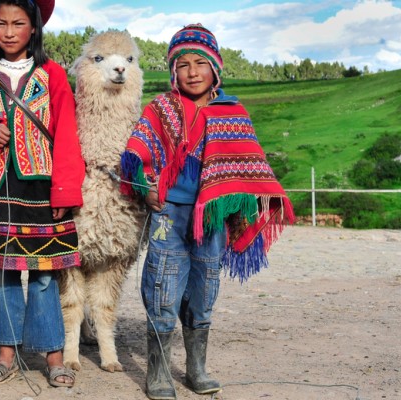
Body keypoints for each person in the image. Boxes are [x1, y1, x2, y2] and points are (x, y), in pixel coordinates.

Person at [120, 24, 294, 399]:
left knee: (204, 289)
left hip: (211, 219)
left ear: (216, 68)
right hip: (170, 213)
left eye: (201, 62)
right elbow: (139, 155)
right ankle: (160, 370)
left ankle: (196, 366)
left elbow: (249, 167)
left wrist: (241, 205)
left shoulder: (232, 113)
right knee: (163, 287)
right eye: (183, 64)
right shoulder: (161, 109)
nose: (193, 71)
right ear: (172, 71)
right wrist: (146, 187)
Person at [0, 0, 84, 388]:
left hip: (41, 187)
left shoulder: (52, 75)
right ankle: (5, 355)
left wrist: (65, 190)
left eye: (19, 23)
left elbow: (66, 131)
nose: (10, 31)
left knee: (45, 274)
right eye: (1, 23)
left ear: (34, 27)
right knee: (2, 273)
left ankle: (53, 356)